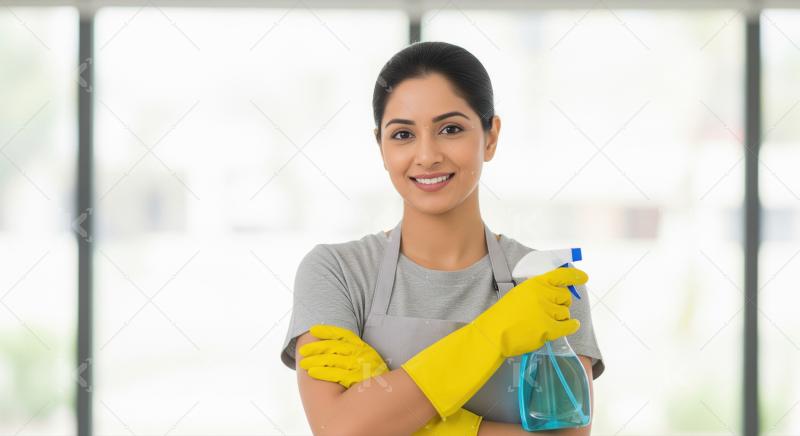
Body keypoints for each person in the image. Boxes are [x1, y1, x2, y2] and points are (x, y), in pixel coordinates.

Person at [279, 41, 605, 436]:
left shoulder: (546, 281)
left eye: (450, 129)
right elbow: (338, 430)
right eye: (402, 134)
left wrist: (400, 413)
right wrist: (492, 334)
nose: (427, 155)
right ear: (380, 147)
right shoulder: (338, 273)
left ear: (490, 137)